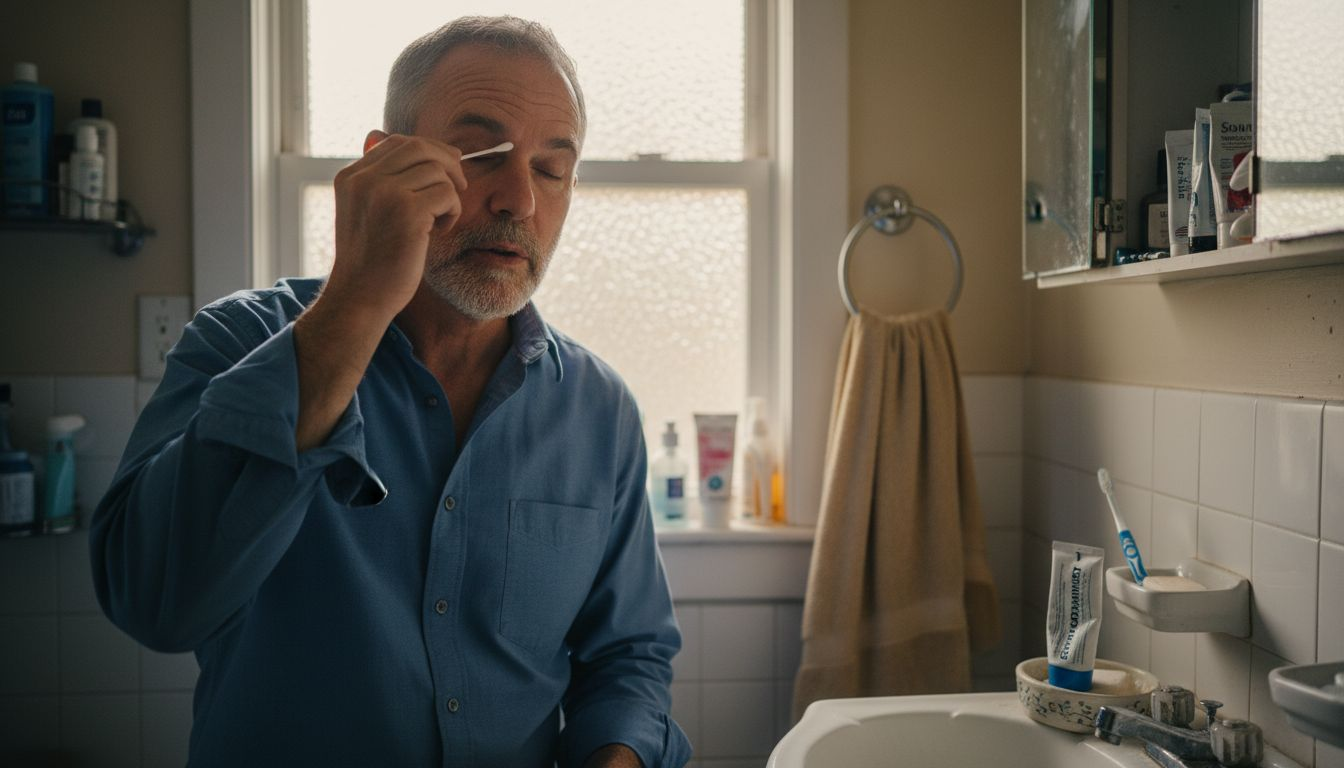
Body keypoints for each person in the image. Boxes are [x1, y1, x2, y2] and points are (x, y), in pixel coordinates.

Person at [90, 16, 691, 768]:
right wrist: (358, 298)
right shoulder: (237, 342)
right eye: (484, 153)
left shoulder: (599, 411)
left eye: (550, 168)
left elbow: (628, 656)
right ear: (384, 162)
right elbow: (155, 602)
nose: (518, 201)